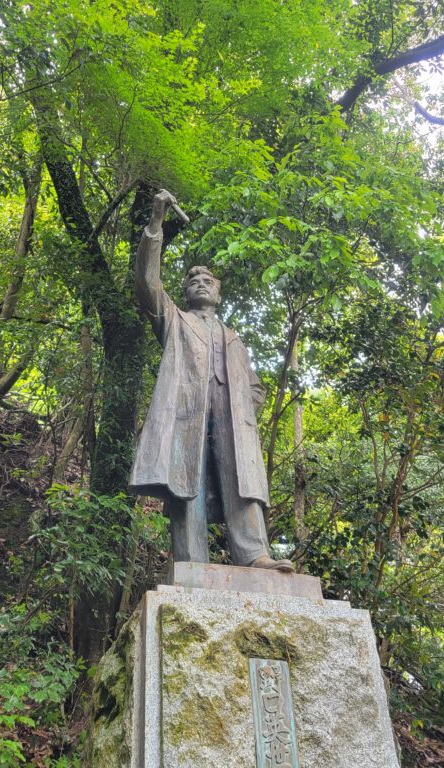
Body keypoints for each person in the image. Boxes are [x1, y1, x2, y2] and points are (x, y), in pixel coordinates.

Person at [128, 190, 294, 572]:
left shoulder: (234, 338)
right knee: (187, 482)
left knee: (242, 482)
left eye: (208, 279)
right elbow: (147, 282)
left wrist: (244, 412)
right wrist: (156, 221)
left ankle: (255, 555)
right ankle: (191, 560)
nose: (200, 282)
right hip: (187, 413)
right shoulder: (175, 320)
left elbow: (255, 385)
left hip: (233, 420)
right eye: (193, 279)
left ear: (217, 292)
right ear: (185, 292)